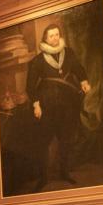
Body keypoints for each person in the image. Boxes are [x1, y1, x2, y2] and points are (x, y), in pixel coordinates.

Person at [26, 23, 91, 189]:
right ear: (45, 39)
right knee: (44, 141)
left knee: (66, 138)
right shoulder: (38, 60)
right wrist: (36, 105)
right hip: (47, 103)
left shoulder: (68, 53)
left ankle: (64, 172)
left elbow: (78, 68)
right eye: (51, 36)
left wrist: (83, 80)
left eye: (56, 35)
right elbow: (30, 85)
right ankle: (43, 177)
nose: (54, 38)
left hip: (67, 103)